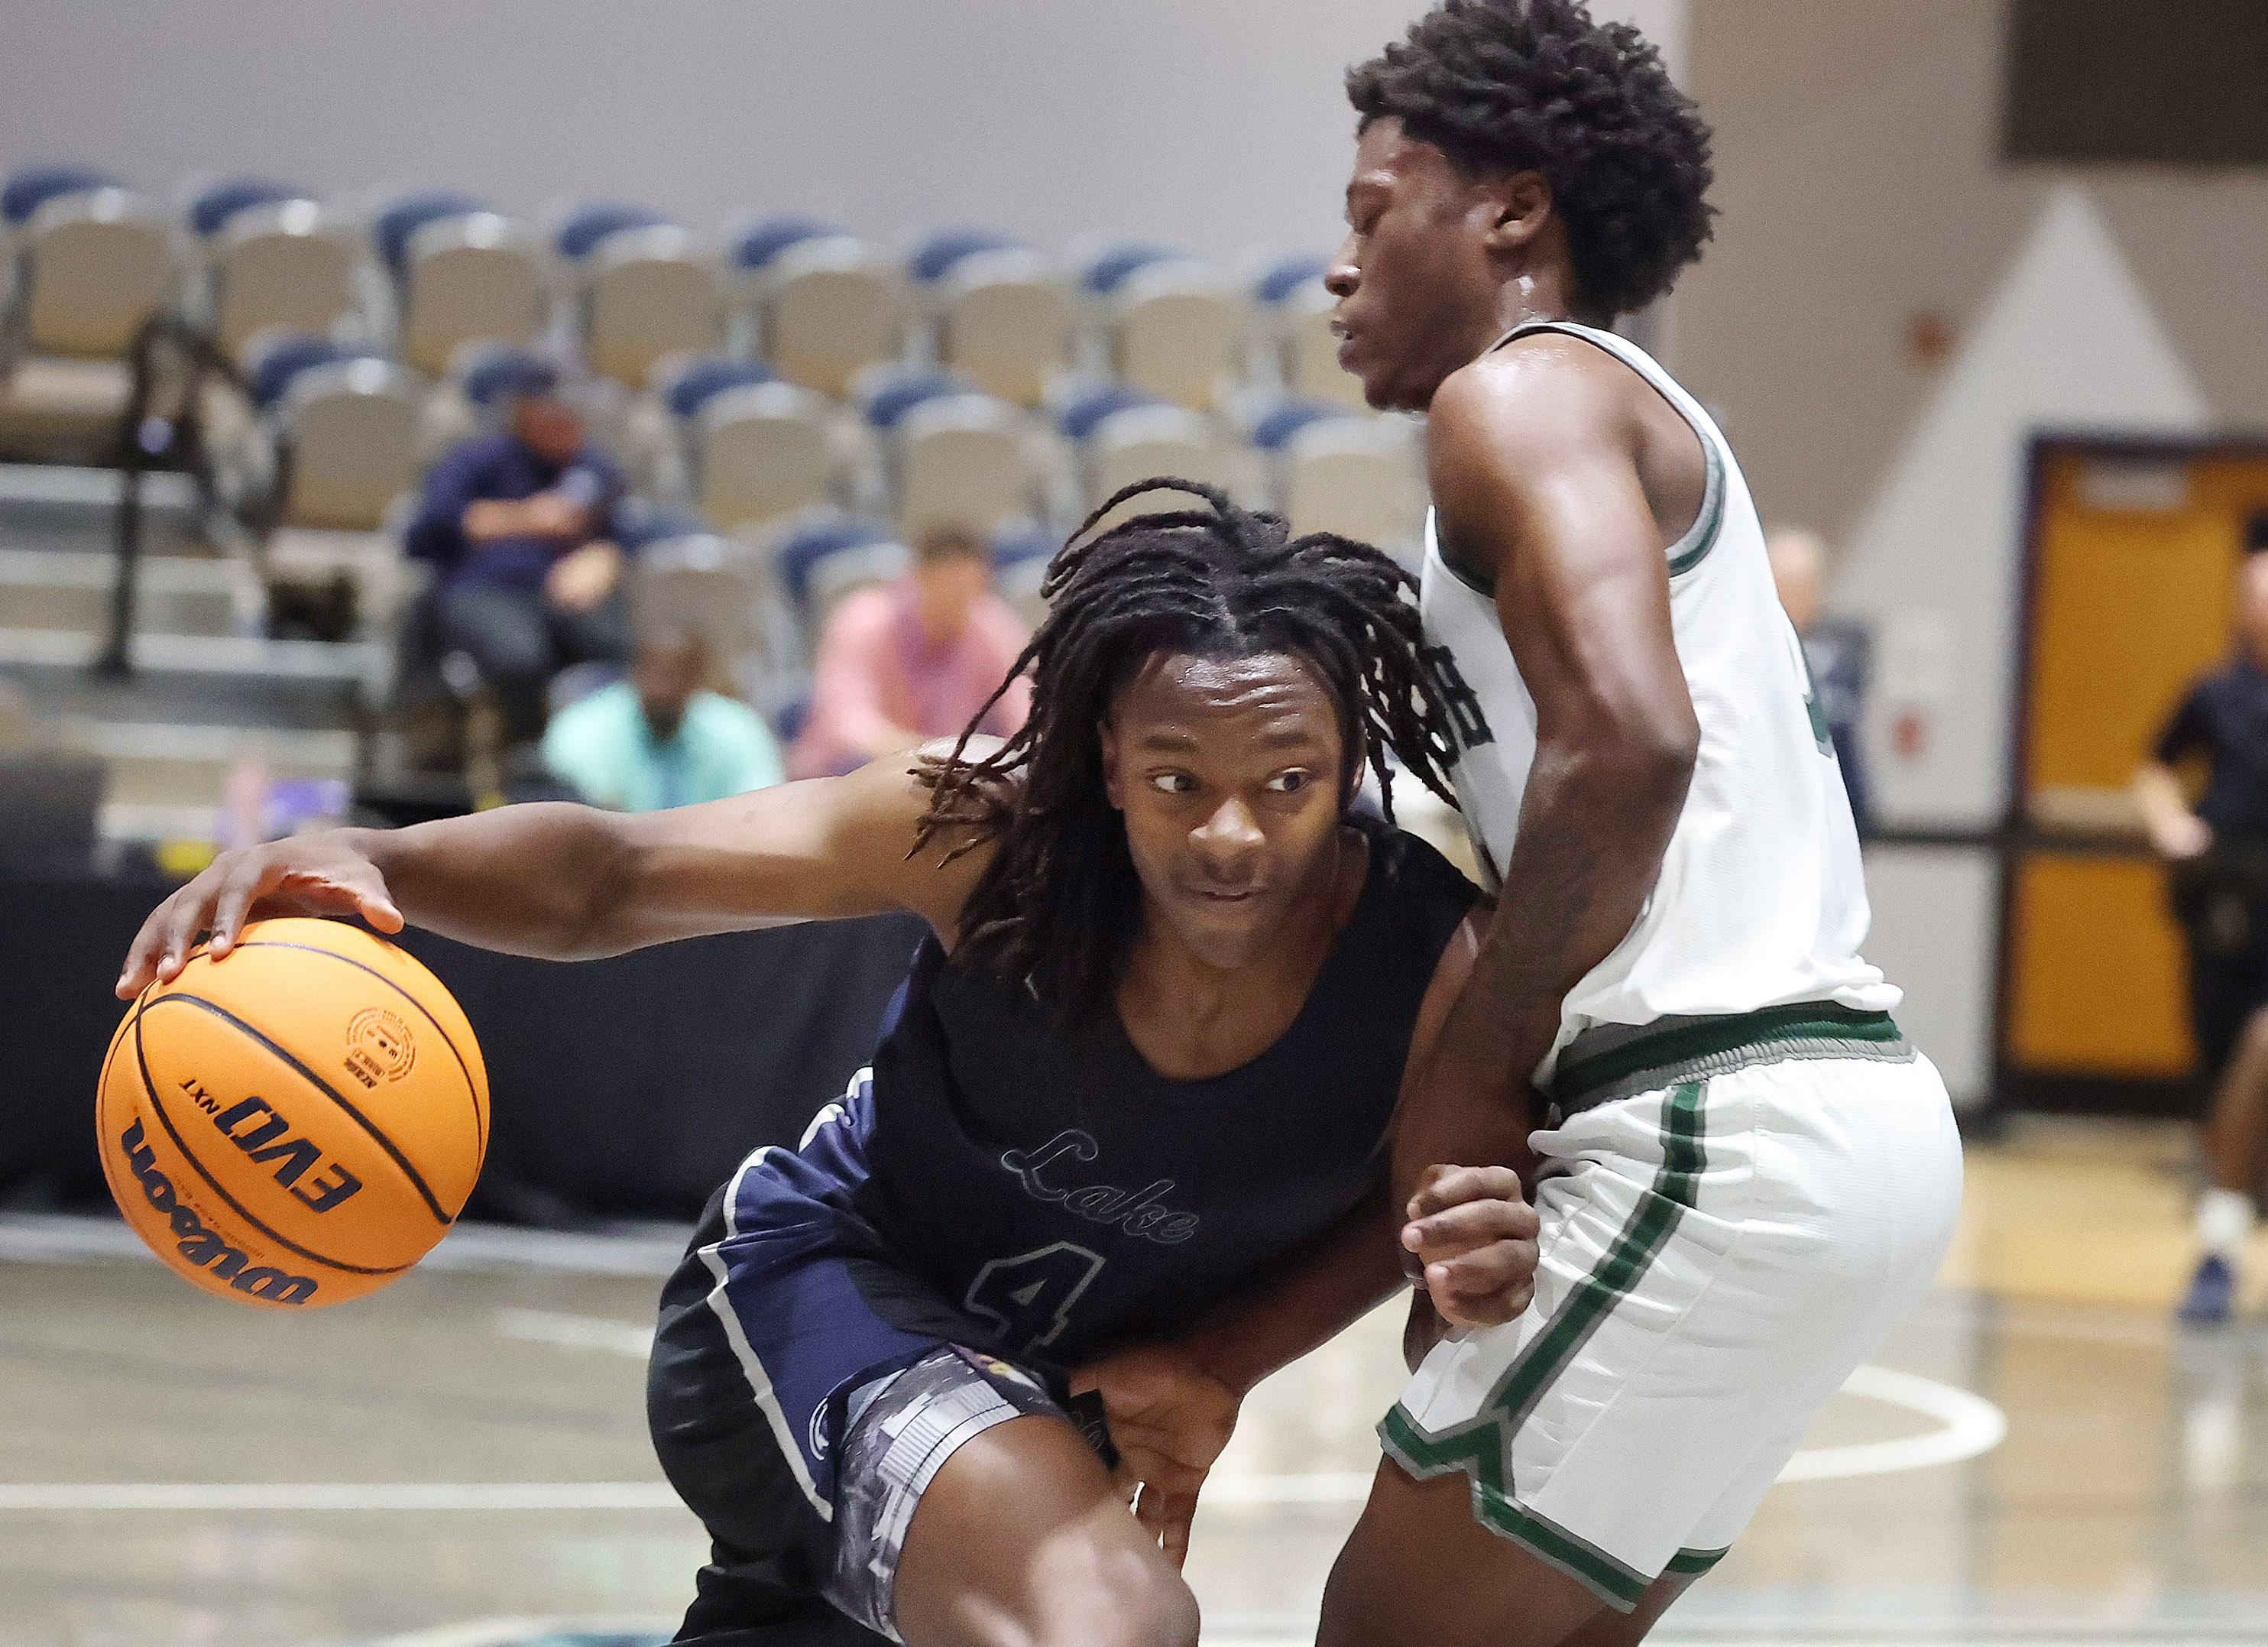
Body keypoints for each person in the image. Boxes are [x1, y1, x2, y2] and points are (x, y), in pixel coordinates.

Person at [119, 479, 1544, 1647]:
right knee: (1103, 1621)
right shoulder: (980, 838)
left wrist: (1230, 1360)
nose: (1231, 835)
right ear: (1101, 759)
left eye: (1284, 785)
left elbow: (1406, 1216)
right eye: (1178, 781)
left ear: (1348, 758)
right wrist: (374, 854)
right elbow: (616, 875)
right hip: (813, 1291)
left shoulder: (1431, 963)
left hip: (1042, 1404)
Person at [1311, 4, 1963, 1642]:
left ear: (1509, 213)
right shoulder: (1619, 424)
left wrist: (1476, 1062)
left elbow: (1628, 750)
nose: (1339, 267)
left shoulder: (1517, 397)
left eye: (1370, 212)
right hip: (1822, 1115)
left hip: (1711, 1121)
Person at [2135, 548, 2268, 1324]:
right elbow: (2153, 768)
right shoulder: (2214, 693)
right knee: (2223, 1065)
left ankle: (2219, 1237)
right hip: (2226, 902)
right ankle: (2219, 1239)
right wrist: (2169, 823)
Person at [405, 361, 633, 753]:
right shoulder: (479, 459)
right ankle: (528, 758)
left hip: (565, 594)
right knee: (521, 659)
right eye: (554, 407)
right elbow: (430, 527)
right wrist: (528, 517)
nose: (568, 418)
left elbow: (623, 535)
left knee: (618, 648)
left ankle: (596, 760)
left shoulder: (591, 467)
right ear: (524, 410)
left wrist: (604, 558)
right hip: (485, 589)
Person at [790, 526, 1034, 780]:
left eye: (971, 591)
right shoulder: (864, 619)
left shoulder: (989, 623)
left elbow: (1024, 717)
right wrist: (929, 753)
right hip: (846, 773)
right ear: (919, 577)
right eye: (949, 587)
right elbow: (849, 724)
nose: (959, 604)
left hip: (941, 772)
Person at [543, 627, 786, 812]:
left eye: (677, 677)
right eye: (655, 674)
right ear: (634, 673)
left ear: (698, 678)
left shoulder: (740, 730)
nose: (665, 689)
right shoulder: (581, 730)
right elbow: (582, 819)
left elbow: (761, 811)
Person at [1767, 526, 1873, 832]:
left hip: (1836, 789)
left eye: (1803, 585)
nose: (1792, 596)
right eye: (1783, 583)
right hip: (1772, 794)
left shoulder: (1845, 648)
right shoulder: (1745, 648)